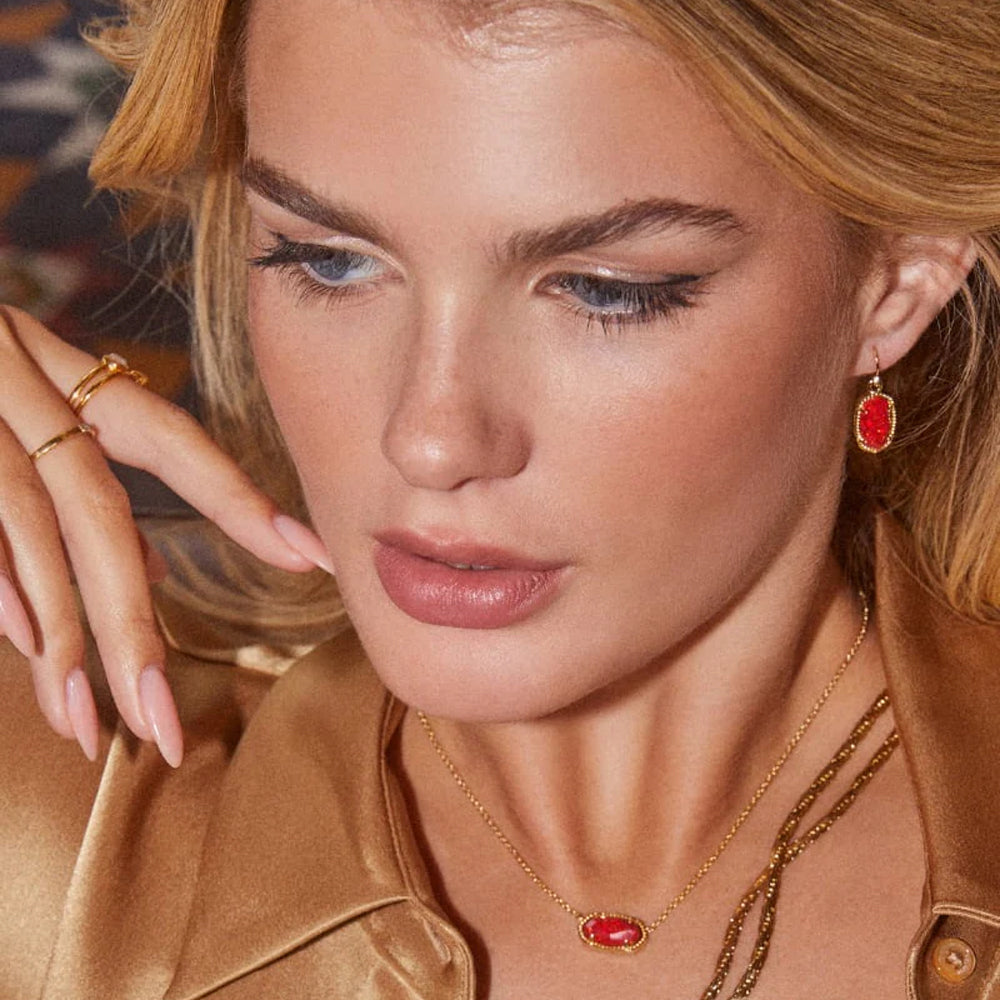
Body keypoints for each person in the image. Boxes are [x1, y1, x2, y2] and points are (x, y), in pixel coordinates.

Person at [1, 0, 999, 997]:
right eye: (329, 260)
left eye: (605, 288)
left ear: (898, 279)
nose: (431, 439)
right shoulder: (72, 817)